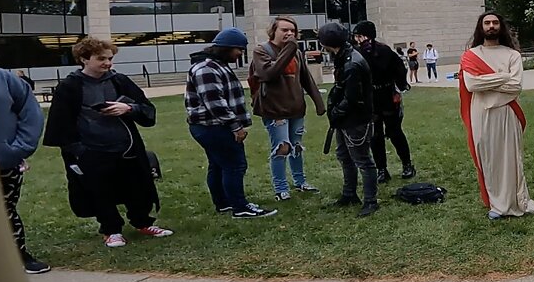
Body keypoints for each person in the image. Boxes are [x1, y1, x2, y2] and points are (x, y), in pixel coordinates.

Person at [43, 37, 174, 246]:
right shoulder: (70, 86)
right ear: (84, 59)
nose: (107, 63)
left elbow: (147, 110)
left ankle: (143, 222)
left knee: (138, 187)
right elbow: (60, 124)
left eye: (110, 58)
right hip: (92, 150)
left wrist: (129, 109)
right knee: (100, 192)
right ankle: (111, 230)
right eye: (101, 58)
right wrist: (79, 151)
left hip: (126, 148)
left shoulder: (119, 81)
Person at [186, 28, 276, 219]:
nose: (240, 54)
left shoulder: (217, 65)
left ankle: (224, 203)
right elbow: (215, 103)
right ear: (226, 48)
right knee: (235, 165)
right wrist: (235, 126)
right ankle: (240, 207)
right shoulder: (206, 68)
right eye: (238, 50)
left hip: (211, 126)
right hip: (214, 127)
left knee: (218, 165)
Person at [459, 12, 534, 219]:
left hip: (507, 112)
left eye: (495, 22)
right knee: (488, 156)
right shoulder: (471, 55)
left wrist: (489, 81)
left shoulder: (512, 55)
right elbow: (472, 84)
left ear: (500, 27)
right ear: (481, 27)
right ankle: (497, 204)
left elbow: (516, 86)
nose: (491, 26)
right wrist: (503, 76)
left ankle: (514, 201)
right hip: (481, 113)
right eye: (487, 23)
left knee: (510, 156)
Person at [250, 16, 327, 201]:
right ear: (273, 31)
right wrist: (290, 49)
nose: (290, 33)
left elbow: (306, 78)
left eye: (293, 30)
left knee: (296, 147)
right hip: (275, 109)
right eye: (285, 30)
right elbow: (269, 74)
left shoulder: (297, 53)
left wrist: (318, 103)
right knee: (281, 148)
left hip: (296, 108)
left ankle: (300, 182)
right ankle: (281, 188)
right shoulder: (262, 51)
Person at [318, 22, 380, 217]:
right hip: (347, 118)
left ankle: (371, 200)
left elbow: (352, 97)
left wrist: (336, 112)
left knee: (363, 159)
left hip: (356, 119)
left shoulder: (351, 62)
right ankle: (349, 194)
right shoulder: (344, 57)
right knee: (345, 156)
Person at [0, 63, 47, 273]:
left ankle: (18, 254)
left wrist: (16, 150)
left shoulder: (2, 78)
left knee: (5, 210)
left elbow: (30, 112)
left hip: (2, 161)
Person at [352, 20, 415, 182]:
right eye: (357, 36)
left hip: (387, 95)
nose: (359, 39)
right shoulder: (356, 53)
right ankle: (381, 169)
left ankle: (407, 164)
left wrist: (399, 88)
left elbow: (399, 69)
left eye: (361, 36)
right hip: (370, 98)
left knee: (394, 132)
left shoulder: (384, 51)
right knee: (375, 135)